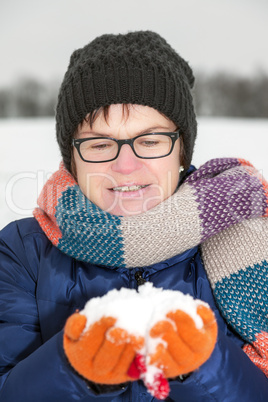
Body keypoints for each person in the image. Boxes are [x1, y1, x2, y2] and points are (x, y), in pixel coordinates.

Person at [0, 31, 267, 402]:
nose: (125, 165)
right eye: (99, 144)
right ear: (72, 159)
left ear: (181, 150)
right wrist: (76, 368)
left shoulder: (250, 236)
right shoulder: (22, 251)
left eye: (151, 140)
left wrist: (204, 364)